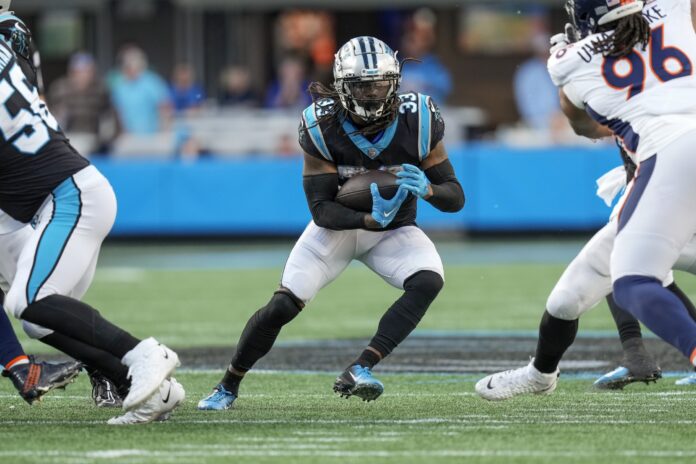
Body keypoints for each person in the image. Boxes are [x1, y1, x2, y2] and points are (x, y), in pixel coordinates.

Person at [198, 36, 464, 410]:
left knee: (428, 279)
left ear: (396, 82)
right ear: (342, 87)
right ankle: (228, 385)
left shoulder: (418, 119)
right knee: (283, 306)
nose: (372, 94)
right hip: (338, 229)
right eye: (362, 86)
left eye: (380, 84)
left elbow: (456, 196)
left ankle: (361, 367)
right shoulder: (321, 125)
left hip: (394, 230)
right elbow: (321, 209)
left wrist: (430, 191)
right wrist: (368, 218)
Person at [476, 0, 696, 400]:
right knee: (568, 297)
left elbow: (583, 125)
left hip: (673, 163)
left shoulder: (570, 63)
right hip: (666, 181)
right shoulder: (673, 10)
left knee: (632, 282)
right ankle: (540, 375)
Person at [0, 10, 183, 424]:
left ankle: (146, 355)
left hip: (69, 197)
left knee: (28, 299)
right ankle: (148, 389)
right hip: (57, 197)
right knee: (39, 322)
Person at [48, 52, 119, 156]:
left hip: (93, 141)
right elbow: (51, 117)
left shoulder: (101, 90)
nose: (83, 75)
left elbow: (109, 118)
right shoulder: (59, 89)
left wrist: (104, 139)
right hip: (67, 139)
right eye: (78, 72)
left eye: (87, 71)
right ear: (71, 72)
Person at [109, 45, 172, 134]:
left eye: (134, 62)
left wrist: (164, 131)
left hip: (152, 136)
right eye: (127, 63)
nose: (131, 66)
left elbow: (165, 107)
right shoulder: (119, 85)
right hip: (127, 136)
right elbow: (116, 111)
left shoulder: (153, 82)